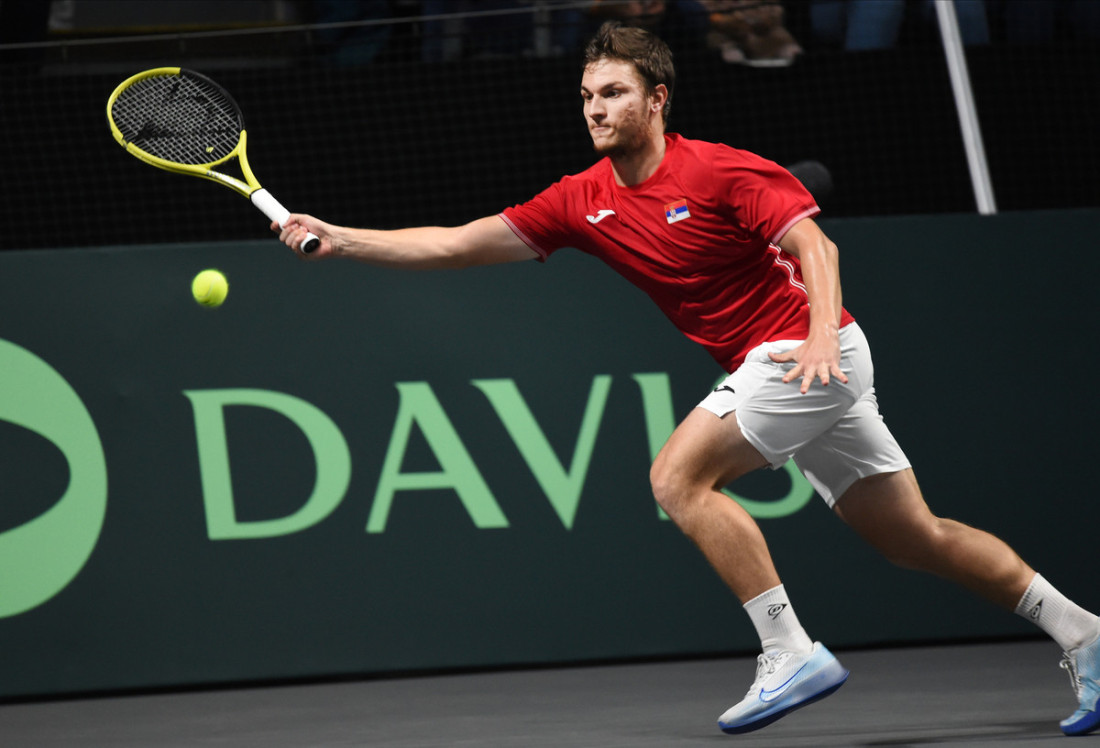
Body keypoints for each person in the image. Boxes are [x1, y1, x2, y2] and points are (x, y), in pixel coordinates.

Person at [274, 21, 1100, 737]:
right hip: (797, 364)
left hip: (806, 351)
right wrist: (342, 237)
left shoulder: (720, 171)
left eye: (614, 93)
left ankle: (788, 649)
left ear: (657, 100)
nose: (596, 109)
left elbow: (816, 247)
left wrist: (818, 336)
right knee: (913, 537)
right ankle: (1086, 634)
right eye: (587, 96)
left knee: (677, 478)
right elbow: (457, 244)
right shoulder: (580, 199)